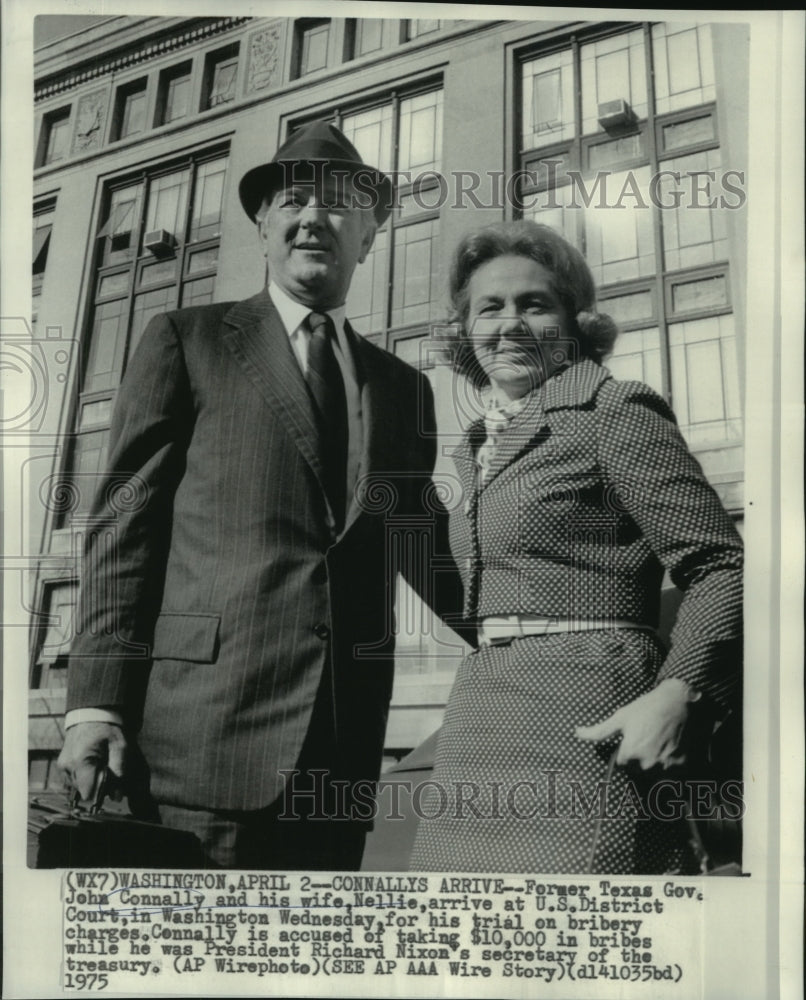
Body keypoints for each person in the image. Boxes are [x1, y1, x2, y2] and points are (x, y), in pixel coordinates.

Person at [57, 121, 466, 870]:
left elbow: (427, 551)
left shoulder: (403, 387)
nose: (315, 216)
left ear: (370, 235)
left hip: (338, 758)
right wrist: (96, 702)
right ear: (264, 224)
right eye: (294, 200)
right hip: (198, 743)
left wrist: (550, 633)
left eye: (342, 204)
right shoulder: (189, 339)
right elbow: (124, 528)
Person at [409, 221, 743, 874]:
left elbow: (722, 566)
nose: (511, 325)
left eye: (535, 304)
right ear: (464, 331)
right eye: (490, 307)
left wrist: (679, 694)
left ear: (575, 323)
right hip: (479, 718)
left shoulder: (613, 409)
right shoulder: (478, 442)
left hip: (587, 709)